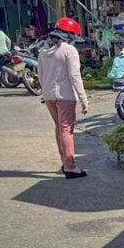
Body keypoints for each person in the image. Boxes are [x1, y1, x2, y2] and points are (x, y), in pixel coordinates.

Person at [37, 18, 89, 179]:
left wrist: (45, 92)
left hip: (49, 95)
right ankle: (70, 166)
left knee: (59, 128)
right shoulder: (69, 50)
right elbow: (75, 76)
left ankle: (64, 162)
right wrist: (84, 99)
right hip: (65, 95)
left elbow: (40, 75)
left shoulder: (43, 50)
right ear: (70, 35)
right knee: (66, 129)